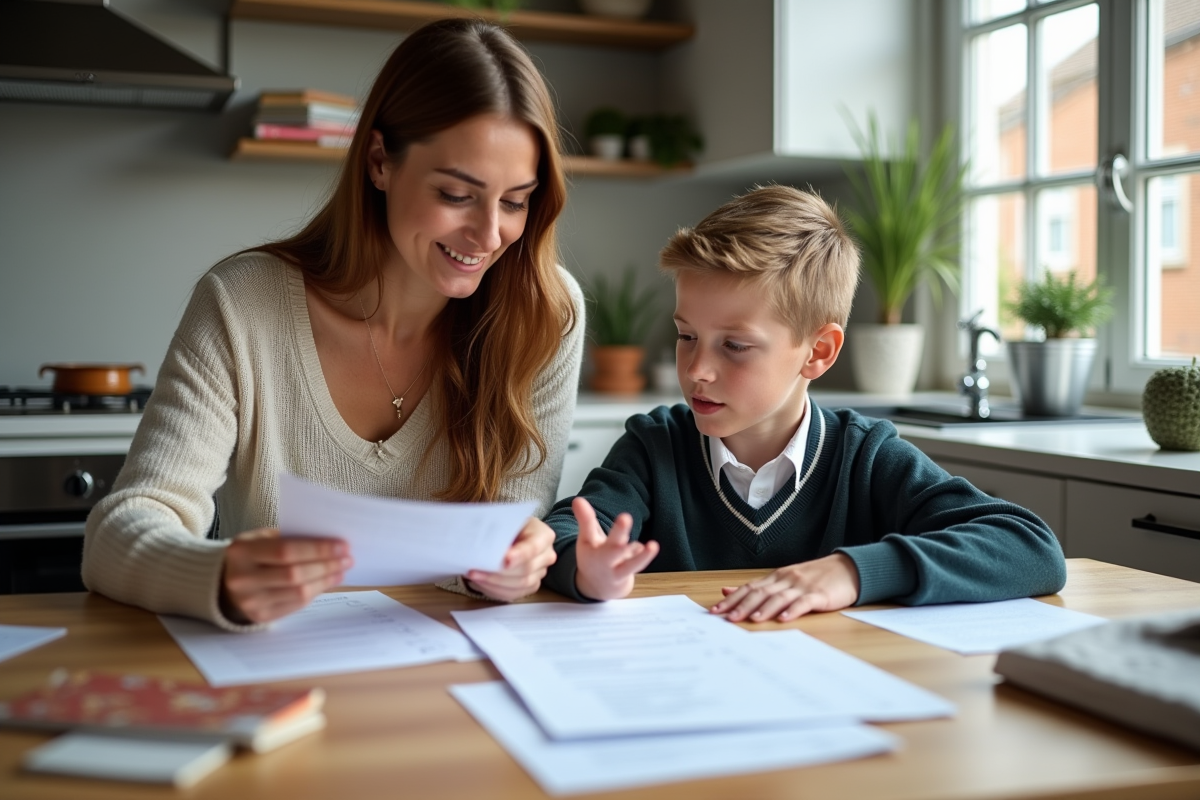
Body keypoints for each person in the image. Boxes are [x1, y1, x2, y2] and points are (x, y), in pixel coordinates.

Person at [83, 19, 584, 629]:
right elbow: (117, 533)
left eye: (515, 201)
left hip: (455, 685)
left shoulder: (545, 314)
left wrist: (513, 564)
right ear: (380, 161)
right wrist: (217, 575)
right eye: (457, 195)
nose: (489, 235)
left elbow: (507, 542)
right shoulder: (243, 305)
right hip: (276, 678)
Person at [541, 185, 1066, 621]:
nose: (697, 368)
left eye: (735, 345)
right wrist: (585, 567)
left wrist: (853, 571)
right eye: (686, 336)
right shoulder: (655, 445)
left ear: (818, 352)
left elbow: (1029, 546)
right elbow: (570, 529)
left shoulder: (865, 456)